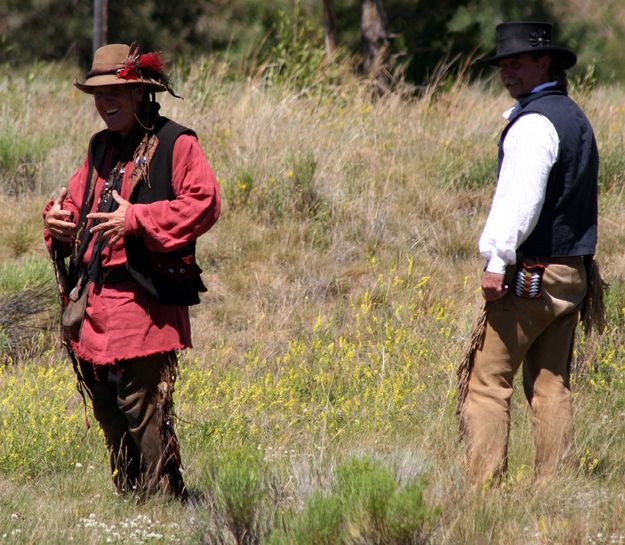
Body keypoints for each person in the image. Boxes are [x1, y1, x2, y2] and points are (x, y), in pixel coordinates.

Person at [43, 43, 221, 500]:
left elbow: (204, 203)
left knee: (141, 403)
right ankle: (131, 496)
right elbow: (78, 207)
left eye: (116, 92)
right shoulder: (101, 147)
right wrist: (58, 222)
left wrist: (136, 219)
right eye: (99, 94)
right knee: (106, 403)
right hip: (98, 300)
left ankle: (165, 499)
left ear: (139, 92)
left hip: (146, 299)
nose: (105, 103)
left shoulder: (177, 142)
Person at [456, 21, 604, 486]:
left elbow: (520, 201)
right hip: (572, 274)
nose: (508, 71)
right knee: (550, 385)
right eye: (504, 64)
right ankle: (553, 490)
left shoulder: (533, 124)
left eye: (517, 62)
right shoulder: (573, 116)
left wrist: (496, 261)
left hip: (532, 275)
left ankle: (483, 491)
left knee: (485, 383)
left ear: (546, 62)